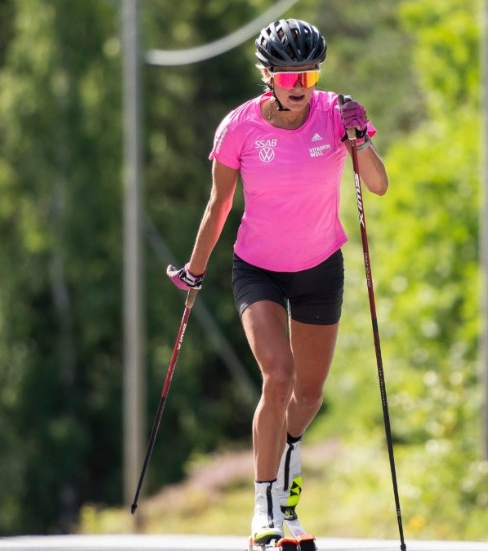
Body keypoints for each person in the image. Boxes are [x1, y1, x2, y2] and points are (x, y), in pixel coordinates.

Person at [165, 18, 388, 547]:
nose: (300, 90)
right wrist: (195, 270)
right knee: (279, 376)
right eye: (289, 79)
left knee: (309, 395)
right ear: (266, 76)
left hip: (318, 267)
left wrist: (358, 140)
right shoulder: (239, 128)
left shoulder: (336, 114)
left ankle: (287, 469)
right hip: (258, 269)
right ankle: (264, 509)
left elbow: (377, 185)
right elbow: (218, 206)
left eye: (309, 78)